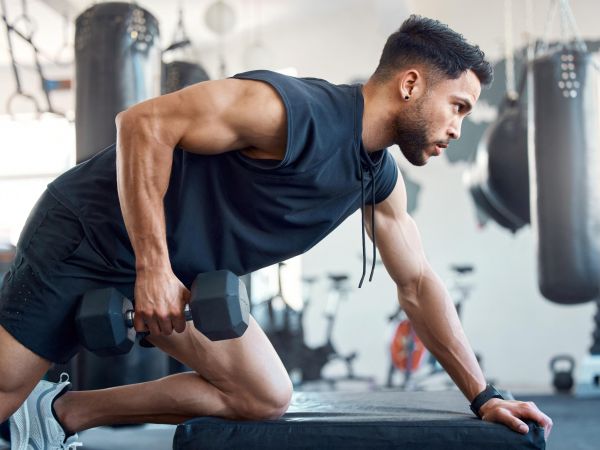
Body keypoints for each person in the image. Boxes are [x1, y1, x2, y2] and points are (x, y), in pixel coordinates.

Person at [0, 14, 552, 449]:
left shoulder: (378, 178)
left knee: (263, 395)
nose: (458, 128)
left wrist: (482, 395)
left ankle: (60, 414)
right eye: (456, 107)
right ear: (411, 84)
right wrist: (153, 268)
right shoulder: (292, 112)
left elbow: (417, 284)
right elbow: (142, 124)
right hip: (89, 231)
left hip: (173, 271)